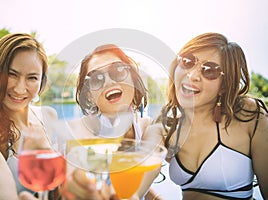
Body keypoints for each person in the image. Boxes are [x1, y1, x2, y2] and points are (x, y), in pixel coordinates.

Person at [145, 32, 268, 199]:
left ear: (224, 86)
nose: (192, 75)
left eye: (210, 71)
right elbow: (142, 179)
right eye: (187, 61)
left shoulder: (249, 116)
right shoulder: (167, 124)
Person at [63, 44, 161, 200]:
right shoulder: (78, 130)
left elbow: (140, 181)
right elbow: (73, 178)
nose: (108, 82)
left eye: (118, 71)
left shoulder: (147, 127)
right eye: (95, 79)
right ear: (89, 94)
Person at [0, 33, 58, 200]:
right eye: (12, 74)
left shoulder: (48, 116)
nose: (19, 88)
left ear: (41, 81)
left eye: (32, 78)